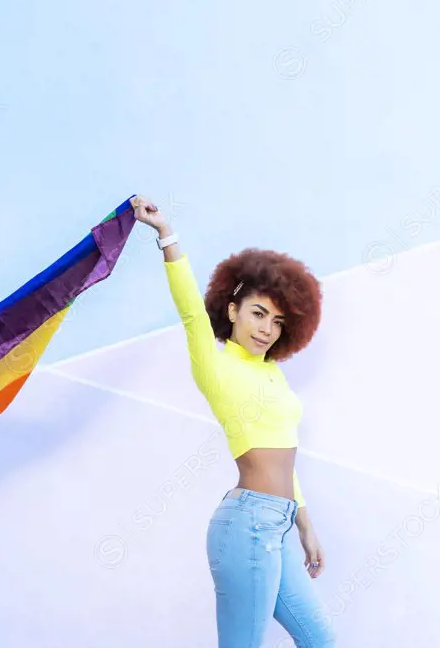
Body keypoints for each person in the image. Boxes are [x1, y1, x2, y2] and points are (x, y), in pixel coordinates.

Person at [131, 196, 336, 647]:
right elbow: (189, 310)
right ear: (232, 311)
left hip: (279, 524)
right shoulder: (217, 364)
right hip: (248, 524)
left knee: (322, 642)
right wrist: (167, 233)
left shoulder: (273, 374)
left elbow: (285, 459)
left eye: (278, 322)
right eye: (258, 314)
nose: (266, 329)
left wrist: (305, 524)